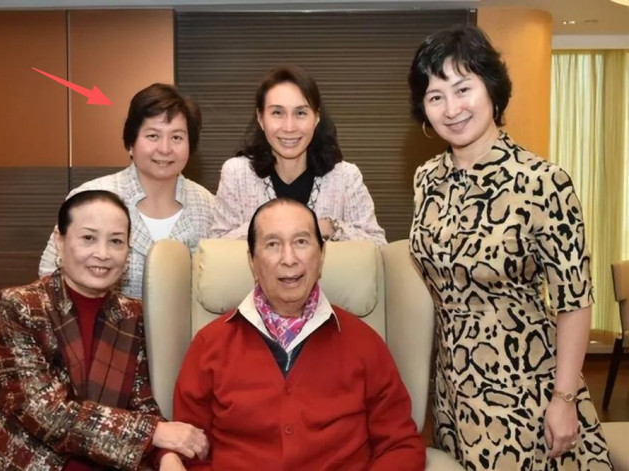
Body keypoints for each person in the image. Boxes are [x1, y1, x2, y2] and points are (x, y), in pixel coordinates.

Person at [408, 25, 612, 470]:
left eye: (463, 88)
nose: (452, 108)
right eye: (436, 95)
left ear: (492, 90)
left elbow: (575, 300)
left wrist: (564, 398)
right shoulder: (427, 179)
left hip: (524, 387)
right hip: (452, 387)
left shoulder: (544, 183)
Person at [0, 190, 208, 471]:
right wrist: (153, 433)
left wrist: (166, 456)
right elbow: (45, 413)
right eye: (88, 238)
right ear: (60, 242)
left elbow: (142, 403)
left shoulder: (132, 315)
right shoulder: (19, 306)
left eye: (116, 241)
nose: (103, 254)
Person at [175, 198, 424, 470]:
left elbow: (400, 445)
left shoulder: (364, 342)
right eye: (272, 244)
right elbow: (188, 449)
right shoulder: (209, 344)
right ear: (252, 261)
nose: (289, 259)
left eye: (301, 242)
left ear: (321, 255)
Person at [39, 84, 215, 300]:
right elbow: (49, 274)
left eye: (177, 137)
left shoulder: (209, 206)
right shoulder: (91, 196)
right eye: (153, 136)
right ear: (131, 142)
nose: (165, 148)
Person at [210, 65, 386, 245]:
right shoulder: (236, 173)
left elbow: (378, 246)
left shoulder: (346, 177)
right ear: (261, 118)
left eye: (300, 113)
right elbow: (216, 247)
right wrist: (268, 226)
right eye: (277, 113)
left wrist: (330, 227)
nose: (289, 127)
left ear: (316, 118)